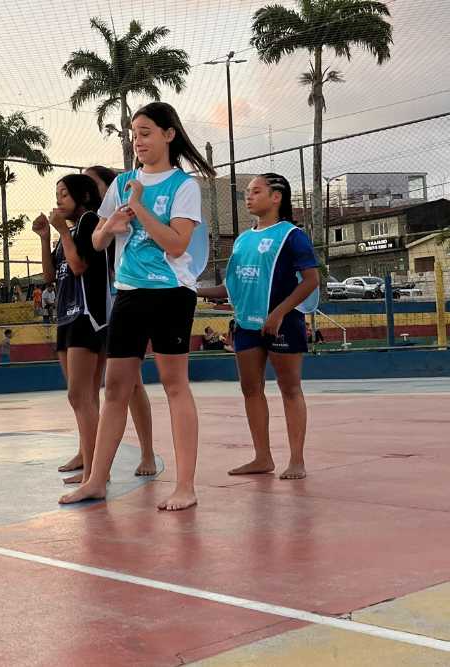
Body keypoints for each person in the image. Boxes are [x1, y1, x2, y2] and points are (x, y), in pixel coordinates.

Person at [61, 102, 216, 511]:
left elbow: (177, 244)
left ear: (168, 134)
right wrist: (110, 226)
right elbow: (97, 242)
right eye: (134, 135)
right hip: (128, 293)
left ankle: (185, 486)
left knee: (174, 384)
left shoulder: (183, 186)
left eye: (145, 133)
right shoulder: (122, 183)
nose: (138, 142)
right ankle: (96, 481)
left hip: (170, 293)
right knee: (115, 388)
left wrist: (141, 207)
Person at [197, 173, 319, 480]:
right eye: (247, 192)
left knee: (290, 389)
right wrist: (192, 290)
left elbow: (311, 281)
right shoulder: (242, 240)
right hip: (246, 325)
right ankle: (262, 457)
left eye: (255, 191)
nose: (248, 197)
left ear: (276, 197)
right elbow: (231, 286)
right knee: (251, 389)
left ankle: (297, 460)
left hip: (282, 323)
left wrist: (278, 313)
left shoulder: (292, 235)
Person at [59, 164, 156, 478]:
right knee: (90, 392)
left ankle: (147, 452)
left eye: (92, 182)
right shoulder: (94, 223)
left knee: (131, 383)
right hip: (98, 306)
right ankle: (88, 454)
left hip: (115, 302)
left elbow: (92, 261)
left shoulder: (119, 215)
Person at [33, 174, 116, 487]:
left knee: (79, 395)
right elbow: (50, 276)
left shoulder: (89, 221)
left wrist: (63, 232)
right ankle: (88, 457)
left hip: (86, 315)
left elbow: (80, 266)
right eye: (57, 194)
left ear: (83, 196)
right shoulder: (66, 232)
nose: (59, 200)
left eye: (65, 194)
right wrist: (45, 237)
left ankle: (96, 469)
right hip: (66, 316)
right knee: (82, 397)